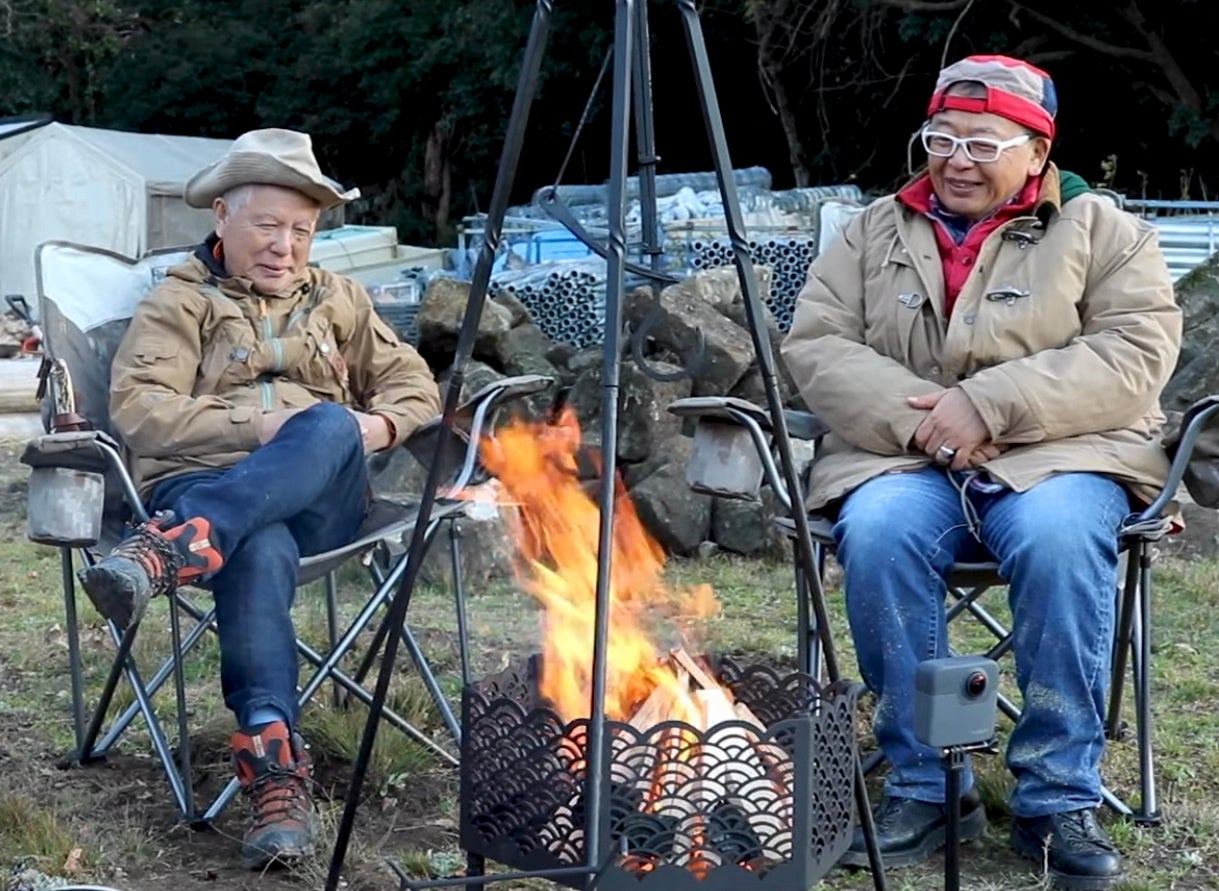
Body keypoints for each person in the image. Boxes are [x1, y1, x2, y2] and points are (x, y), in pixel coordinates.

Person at [781, 55, 1181, 890]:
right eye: (940, 138)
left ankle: (1055, 795)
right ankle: (929, 785)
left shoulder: (1106, 230)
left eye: (983, 142)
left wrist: (991, 404)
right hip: (903, 451)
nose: (956, 160)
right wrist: (932, 422)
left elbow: (1134, 350)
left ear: (1037, 152)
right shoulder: (869, 232)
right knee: (881, 530)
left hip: (1066, 452)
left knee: (1060, 536)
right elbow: (816, 345)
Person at [79, 128, 442, 869]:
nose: (284, 246)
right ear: (222, 215)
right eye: (267, 225)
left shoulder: (340, 298)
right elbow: (142, 408)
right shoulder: (177, 303)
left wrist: (369, 426)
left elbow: (416, 388)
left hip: (319, 504)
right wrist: (257, 422)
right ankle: (274, 768)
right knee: (258, 544)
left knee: (329, 425)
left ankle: (176, 547)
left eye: (301, 231)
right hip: (195, 483)